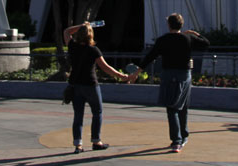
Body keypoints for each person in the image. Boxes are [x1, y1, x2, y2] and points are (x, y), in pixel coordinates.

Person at [128, 13, 209, 152]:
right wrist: (195, 33)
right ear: (181, 25)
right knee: (183, 106)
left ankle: (176, 140)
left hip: (169, 74)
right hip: (185, 75)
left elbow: (150, 57)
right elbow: (206, 44)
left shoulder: (163, 40)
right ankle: (183, 135)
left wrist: (137, 72)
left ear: (169, 24)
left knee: (171, 107)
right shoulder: (188, 38)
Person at [63, 21, 128, 154]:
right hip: (90, 84)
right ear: (90, 35)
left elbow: (66, 31)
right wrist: (122, 76)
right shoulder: (93, 50)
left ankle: (78, 144)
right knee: (97, 112)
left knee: (78, 115)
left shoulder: (72, 46)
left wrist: (82, 25)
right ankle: (96, 140)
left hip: (75, 85)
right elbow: (106, 68)